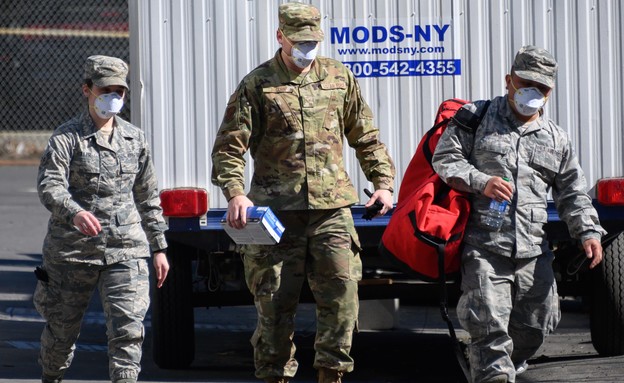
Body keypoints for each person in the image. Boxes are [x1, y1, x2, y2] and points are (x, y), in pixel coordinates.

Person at [211, 3, 395, 383]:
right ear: (281, 37)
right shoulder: (257, 84)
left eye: (312, 42)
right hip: (276, 216)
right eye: (298, 42)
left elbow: (366, 136)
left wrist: (383, 184)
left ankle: (332, 376)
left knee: (342, 305)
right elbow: (230, 147)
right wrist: (234, 193)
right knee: (275, 310)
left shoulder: (338, 77)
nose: (306, 49)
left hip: (332, 212)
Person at [432, 45, 606, 383]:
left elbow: (572, 192)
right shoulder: (476, 118)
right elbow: (445, 160)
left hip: (532, 251)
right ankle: (490, 366)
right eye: (525, 83)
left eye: (541, 88)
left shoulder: (556, 138)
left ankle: (494, 360)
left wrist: (588, 231)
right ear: (509, 80)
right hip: (484, 247)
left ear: (550, 91)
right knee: (489, 328)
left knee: (539, 324)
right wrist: (480, 181)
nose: (532, 92)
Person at [34, 55, 170, 383]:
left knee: (128, 333)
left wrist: (159, 247)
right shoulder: (67, 137)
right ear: (87, 90)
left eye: (119, 91)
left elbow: (148, 196)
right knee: (60, 335)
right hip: (72, 251)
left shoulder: (135, 139)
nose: (114, 97)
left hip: (126, 250)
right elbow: (49, 184)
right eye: (105, 90)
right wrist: (75, 212)